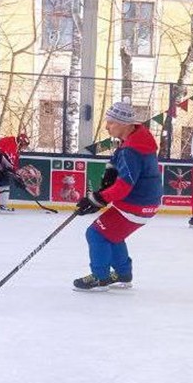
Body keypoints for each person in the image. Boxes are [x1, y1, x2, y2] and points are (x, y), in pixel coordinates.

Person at [72, 102, 161, 291]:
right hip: (144, 203)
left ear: (124, 124)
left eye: (111, 122)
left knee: (96, 234)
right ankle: (123, 274)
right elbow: (119, 163)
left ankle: (100, 277)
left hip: (136, 204)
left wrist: (96, 199)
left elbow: (124, 187)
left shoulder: (132, 150)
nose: (106, 126)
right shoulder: (136, 138)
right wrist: (109, 175)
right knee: (111, 234)